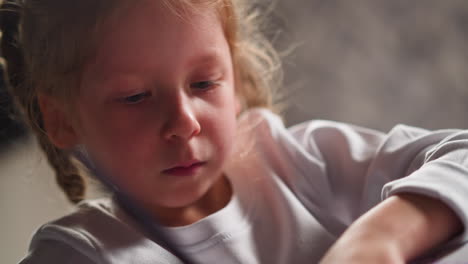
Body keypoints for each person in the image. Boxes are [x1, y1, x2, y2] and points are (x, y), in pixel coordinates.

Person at [1, 0, 467, 263]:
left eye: (204, 82)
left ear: (236, 80)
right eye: (135, 97)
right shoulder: (80, 255)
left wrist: (380, 239)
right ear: (61, 118)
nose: (185, 121)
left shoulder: (295, 160)